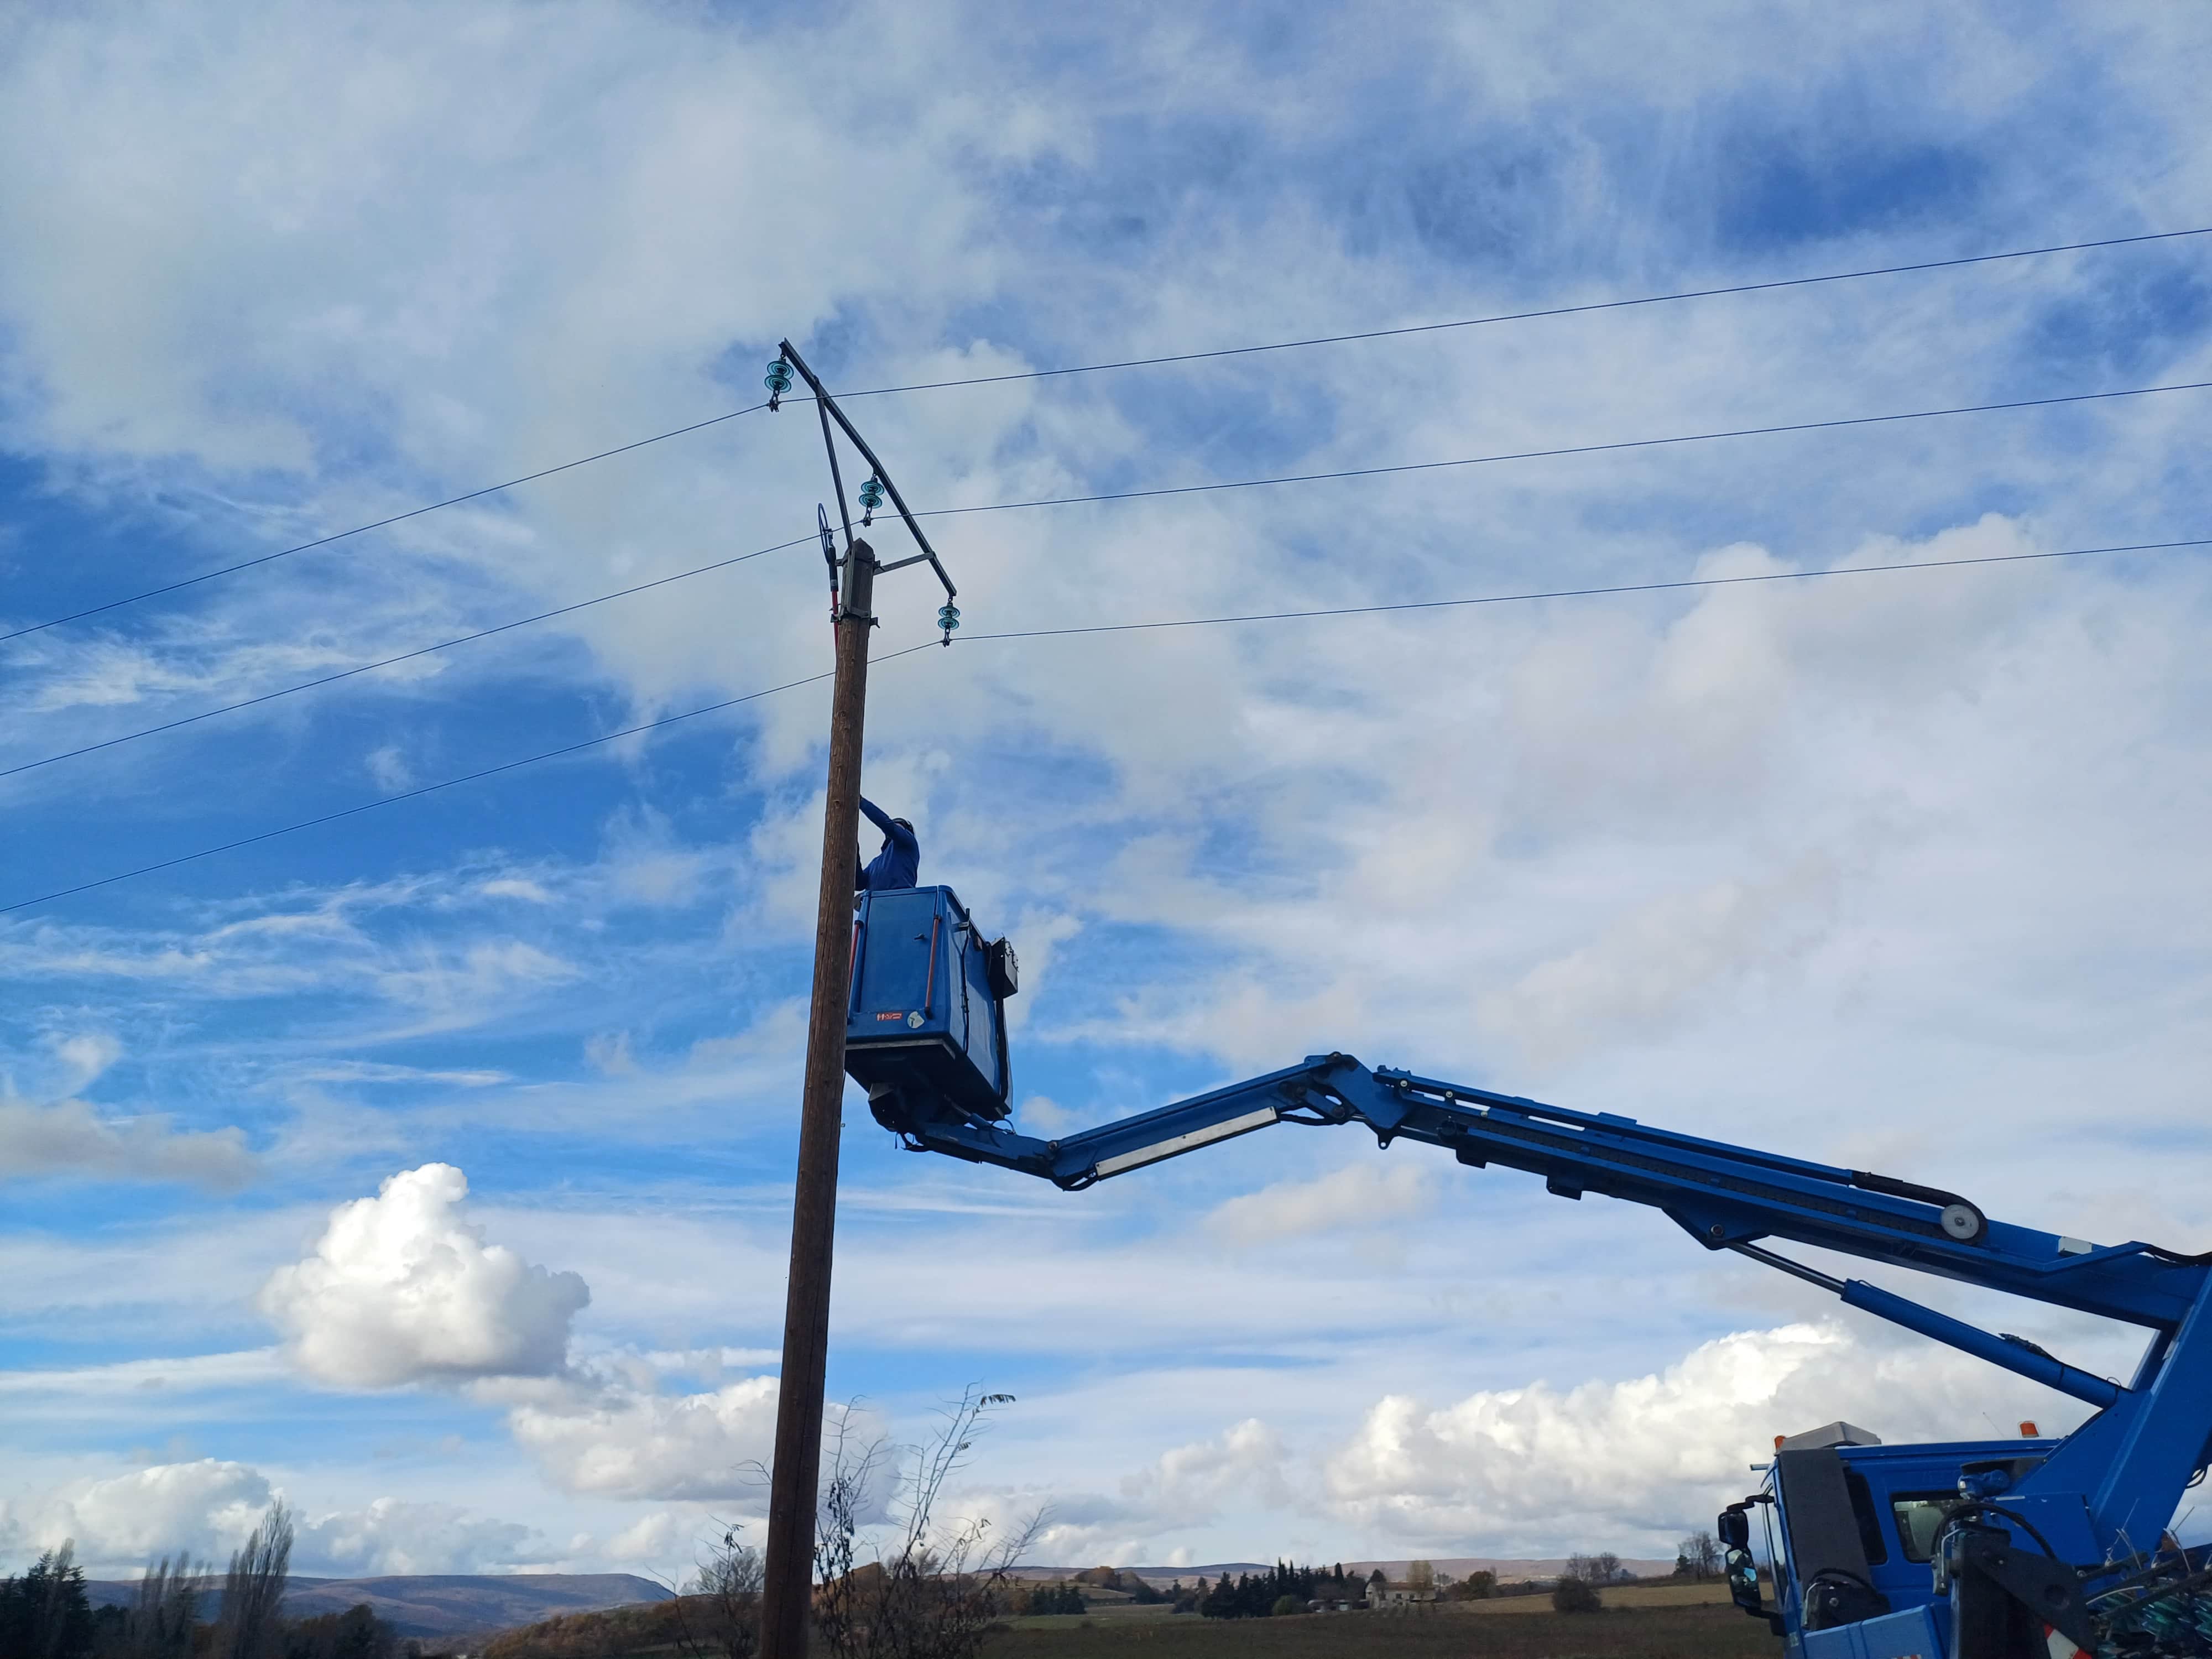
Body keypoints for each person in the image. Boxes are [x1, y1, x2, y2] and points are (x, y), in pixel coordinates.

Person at [854, 796, 920, 892]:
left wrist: (862, 802)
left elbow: (889, 827)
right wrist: (854, 849)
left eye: (900, 825)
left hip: (901, 899)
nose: (896, 826)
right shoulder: (875, 863)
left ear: (908, 830)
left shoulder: (909, 843)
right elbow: (859, 884)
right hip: (876, 904)